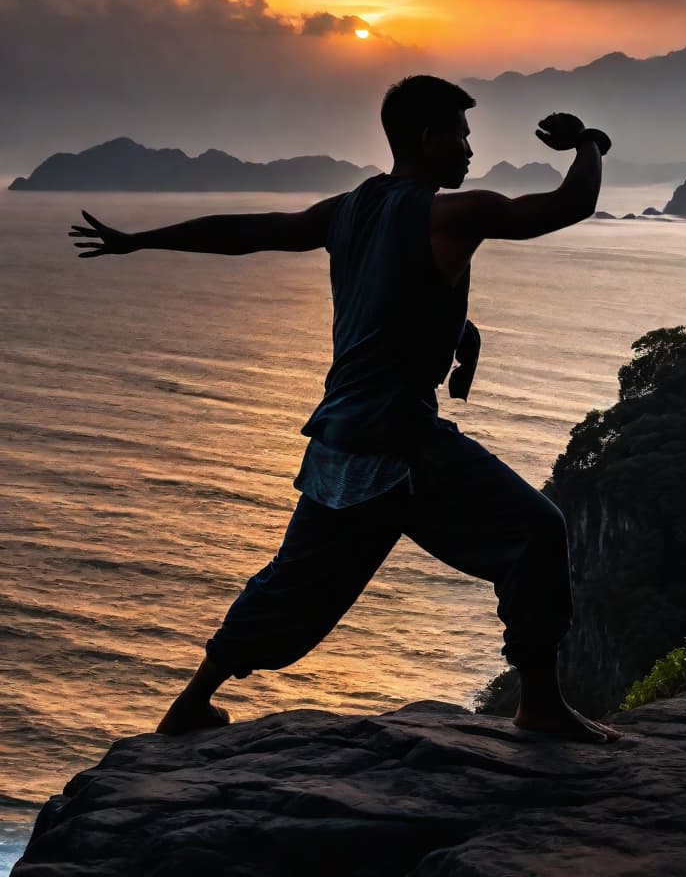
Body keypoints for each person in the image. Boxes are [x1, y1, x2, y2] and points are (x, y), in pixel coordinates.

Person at [69, 75, 620, 744]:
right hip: (401, 441)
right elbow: (570, 205)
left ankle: (193, 701)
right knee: (537, 532)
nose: (472, 147)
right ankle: (539, 705)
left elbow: (252, 232)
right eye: (462, 134)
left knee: (291, 584)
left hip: (341, 438)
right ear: (429, 139)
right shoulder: (451, 213)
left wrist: (139, 240)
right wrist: (588, 144)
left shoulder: (351, 209)